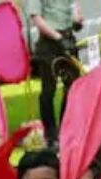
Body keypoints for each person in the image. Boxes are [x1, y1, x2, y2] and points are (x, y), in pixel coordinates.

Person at [28, 0, 82, 144]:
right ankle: (51, 134)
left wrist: (77, 20)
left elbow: (74, 8)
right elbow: (37, 19)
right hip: (49, 43)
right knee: (48, 90)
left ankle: (66, 128)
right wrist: (58, 37)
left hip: (68, 39)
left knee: (73, 87)